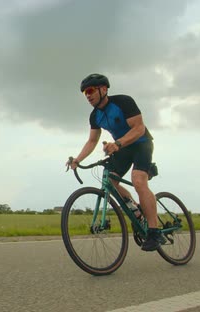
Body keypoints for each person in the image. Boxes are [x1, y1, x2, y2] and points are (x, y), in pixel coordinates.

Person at [68, 73, 165, 251]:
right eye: (84, 93)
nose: (88, 95)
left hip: (141, 143)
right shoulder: (94, 116)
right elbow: (92, 141)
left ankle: (154, 231)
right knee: (111, 181)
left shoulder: (123, 102)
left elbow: (139, 128)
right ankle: (136, 210)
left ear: (103, 89)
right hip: (121, 148)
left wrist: (118, 143)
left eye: (90, 90)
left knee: (138, 180)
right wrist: (77, 159)